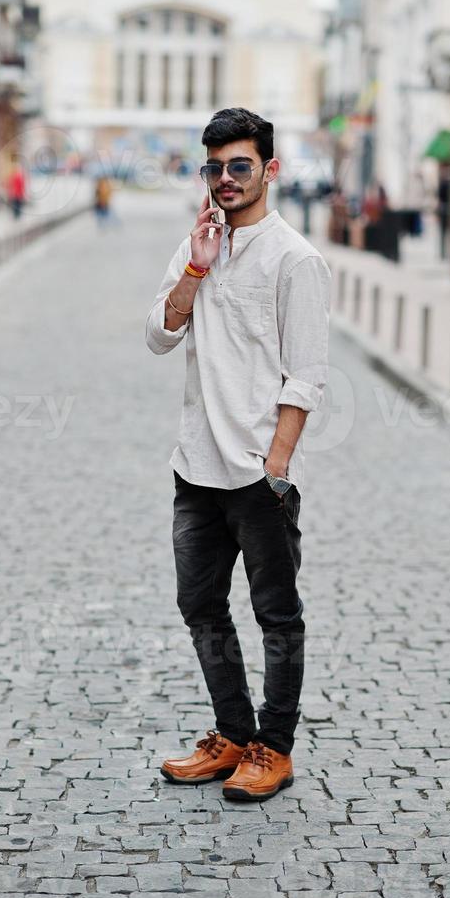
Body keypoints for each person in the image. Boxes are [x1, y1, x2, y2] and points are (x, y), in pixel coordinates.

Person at [146, 107, 331, 802]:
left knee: (276, 614)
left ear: (270, 171)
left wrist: (276, 469)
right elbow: (160, 334)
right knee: (200, 605)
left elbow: (306, 376)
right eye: (215, 167)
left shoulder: (296, 260)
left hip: (259, 475)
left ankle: (273, 748)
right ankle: (231, 733)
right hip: (194, 467)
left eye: (240, 166)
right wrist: (195, 264)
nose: (225, 179)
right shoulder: (199, 244)